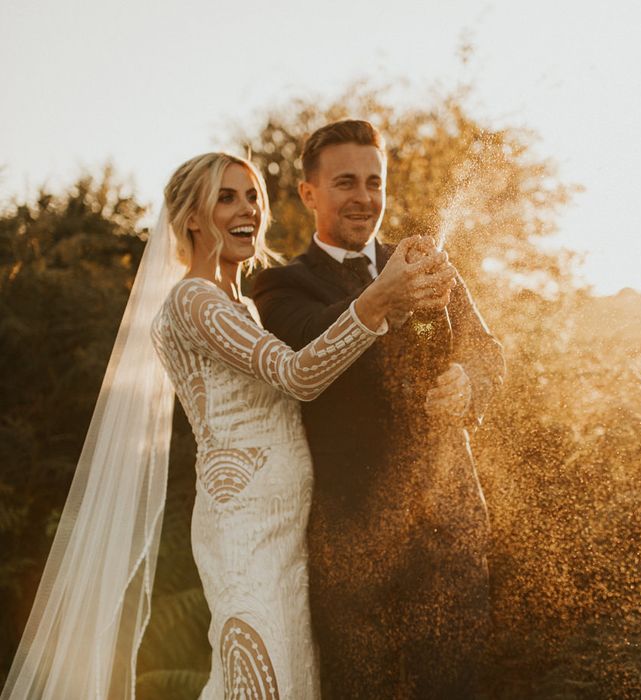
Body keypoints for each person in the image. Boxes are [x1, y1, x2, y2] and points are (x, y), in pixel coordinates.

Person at [1, 152, 455, 699]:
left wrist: (398, 306)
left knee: (291, 683)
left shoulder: (240, 305)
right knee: (256, 681)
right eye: (227, 196)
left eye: (253, 196)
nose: (248, 209)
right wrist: (379, 296)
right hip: (242, 527)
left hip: (288, 529)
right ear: (192, 217)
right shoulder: (194, 301)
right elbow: (298, 375)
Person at [252, 120, 506, 698]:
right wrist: (382, 297)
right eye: (346, 182)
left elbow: (487, 352)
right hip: (352, 548)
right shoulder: (278, 286)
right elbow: (308, 347)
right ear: (309, 193)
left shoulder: (428, 262)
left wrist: (469, 384)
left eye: (374, 181)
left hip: (449, 532)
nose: (364, 198)